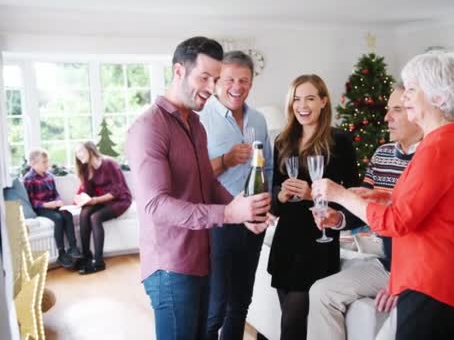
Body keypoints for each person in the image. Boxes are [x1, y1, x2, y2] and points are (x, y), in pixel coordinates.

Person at [313, 53, 454, 339]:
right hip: (436, 276)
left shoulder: (438, 148)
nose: (405, 99)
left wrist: (340, 194)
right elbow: (428, 203)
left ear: (438, 97)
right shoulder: (445, 140)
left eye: (412, 89)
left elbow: (397, 222)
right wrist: (379, 195)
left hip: (431, 279)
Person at [126, 36, 272, 340]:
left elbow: (207, 182)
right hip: (171, 267)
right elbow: (156, 205)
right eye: (204, 76)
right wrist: (229, 214)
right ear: (179, 71)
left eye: (214, 79)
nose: (210, 87)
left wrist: (243, 212)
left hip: (201, 257)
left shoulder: (194, 124)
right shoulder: (149, 127)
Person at [307, 82, 423, 340]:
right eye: (387, 109)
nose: (386, 117)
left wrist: (402, 283)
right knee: (321, 292)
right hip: (388, 264)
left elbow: (421, 230)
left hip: (416, 271)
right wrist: (336, 219)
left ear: (417, 113)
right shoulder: (382, 154)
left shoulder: (428, 158)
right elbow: (361, 204)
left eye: (397, 109)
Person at [268, 74, 359, 340]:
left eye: (309, 98)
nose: (302, 105)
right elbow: (274, 194)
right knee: (290, 318)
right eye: (296, 99)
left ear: (323, 101)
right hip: (286, 240)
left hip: (317, 242)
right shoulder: (282, 141)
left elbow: (351, 195)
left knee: (293, 324)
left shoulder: (339, 141)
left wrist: (312, 195)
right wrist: (281, 196)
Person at [200, 50, 273, 340]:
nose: (237, 86)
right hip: (219, 222)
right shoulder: (201, 119)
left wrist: (266, 207)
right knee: (215, 306)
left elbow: (265, 169)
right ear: (218, 81)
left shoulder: (259, 119)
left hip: (253, 222)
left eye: (244, 80)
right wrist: (226, 160)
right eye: (229, 79)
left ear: (251, 84)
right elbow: (193, 178)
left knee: (241, 303)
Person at [74, 141, 132, 274]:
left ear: (90, 150)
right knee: (84, 213)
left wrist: (95, 200)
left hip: (120, 199)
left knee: (95, 217)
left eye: (80, 152)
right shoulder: (88, 168)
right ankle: (86, 256)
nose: (78, 156)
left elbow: (117, 191)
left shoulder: (109, 163)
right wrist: (82, 198)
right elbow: (89, 192)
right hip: (103, 200)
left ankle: (98, 262)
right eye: (76, 153)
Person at [23, 148, 82, 268]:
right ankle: (61, 253)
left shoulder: (49, 176)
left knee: (67, 214)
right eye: (44, 162)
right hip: (41, 208)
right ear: (34, 163)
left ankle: (73, 247)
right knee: (58, 218)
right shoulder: (29, 179)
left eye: (47, 161)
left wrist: (59, 200)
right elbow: (31, 201)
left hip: (53, 205)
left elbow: (55, 193)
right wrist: (46, 205)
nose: (47, 164)